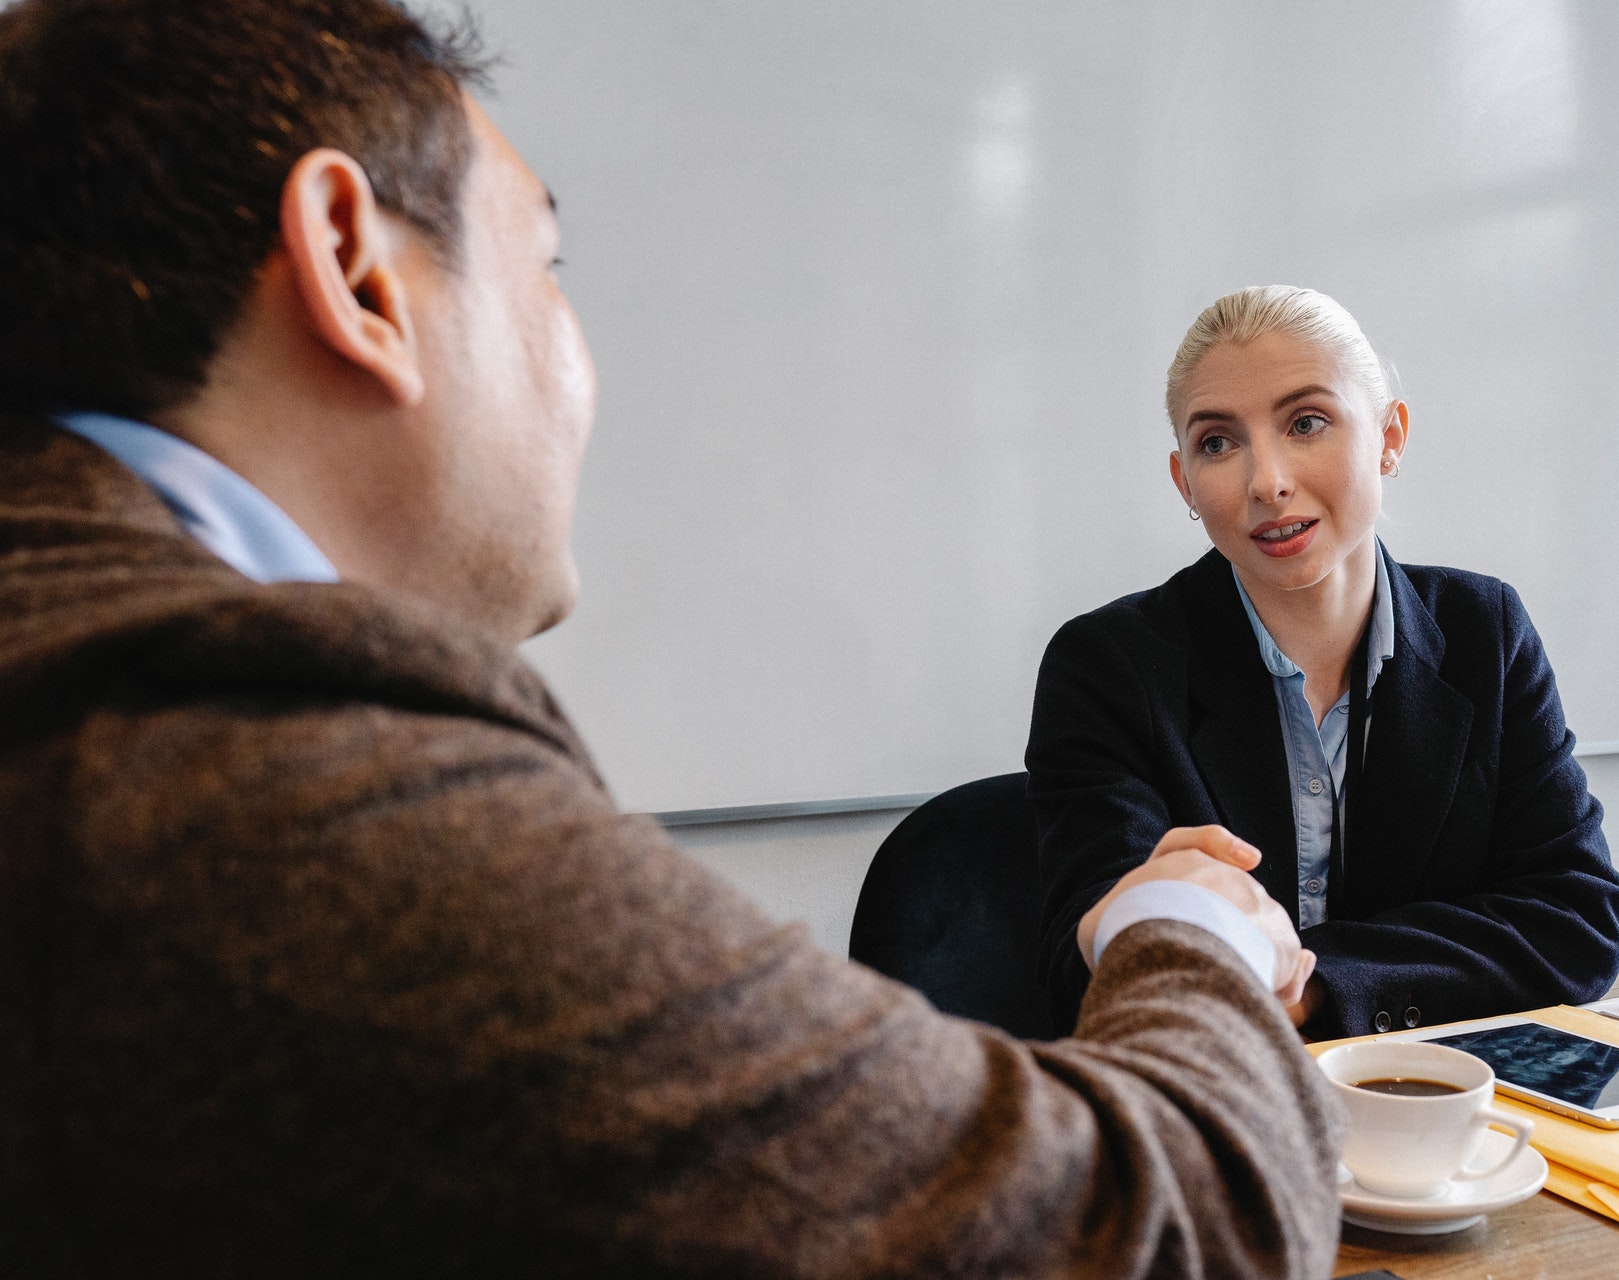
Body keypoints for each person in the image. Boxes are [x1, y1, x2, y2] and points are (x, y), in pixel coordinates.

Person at [0, 3, 1345, 1275]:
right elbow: (1182, 1225)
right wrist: (1187, 925)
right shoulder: (274, 777)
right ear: (355, 268)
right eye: (547, 266)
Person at [1027, 285, 1619, 1040]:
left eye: (1306, 422)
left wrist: (1309, 984)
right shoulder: (1108, 666)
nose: (1267, 482)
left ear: (1389, 438)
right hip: (1217, 1103)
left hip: (1444, 1102)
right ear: (1185, 481)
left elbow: (1577, 922)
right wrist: (1129, 921)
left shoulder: (1487, 632)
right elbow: (1080, 973)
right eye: (1218, 442)